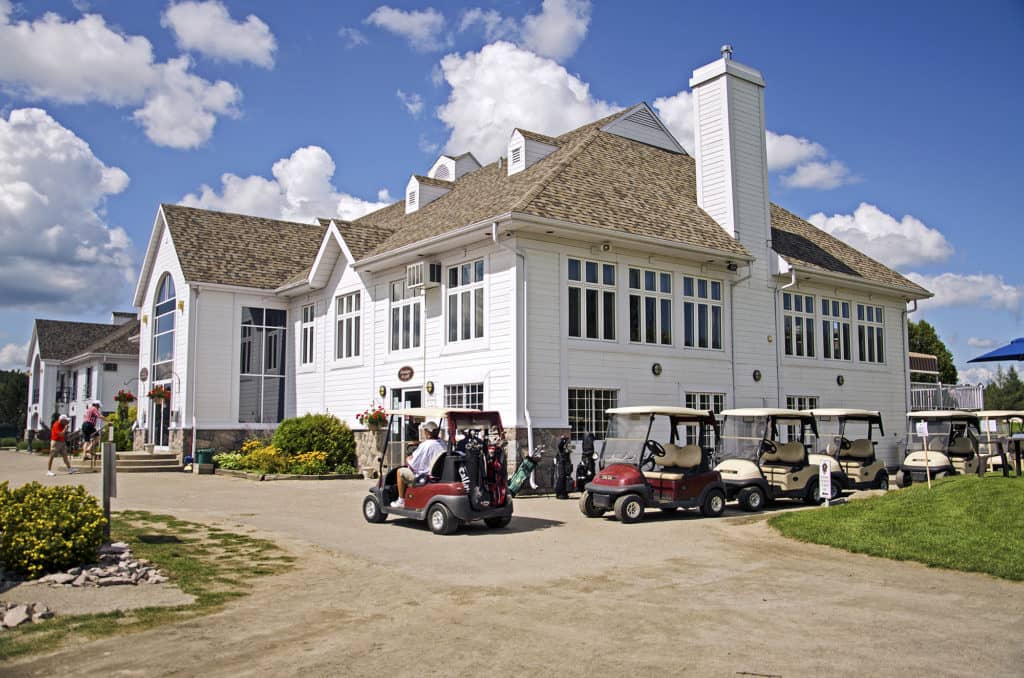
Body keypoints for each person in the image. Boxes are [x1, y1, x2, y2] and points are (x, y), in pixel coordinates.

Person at [391, 421, 445, 508]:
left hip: (425, 477)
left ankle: (401, 500)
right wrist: (419, 443)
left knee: (400, 471)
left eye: (425, 431)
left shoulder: (425, 445)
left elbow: (413, 464)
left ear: (427, 432)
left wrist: (408, 459)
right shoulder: (442, 442)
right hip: (437, 474)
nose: (424, 432)